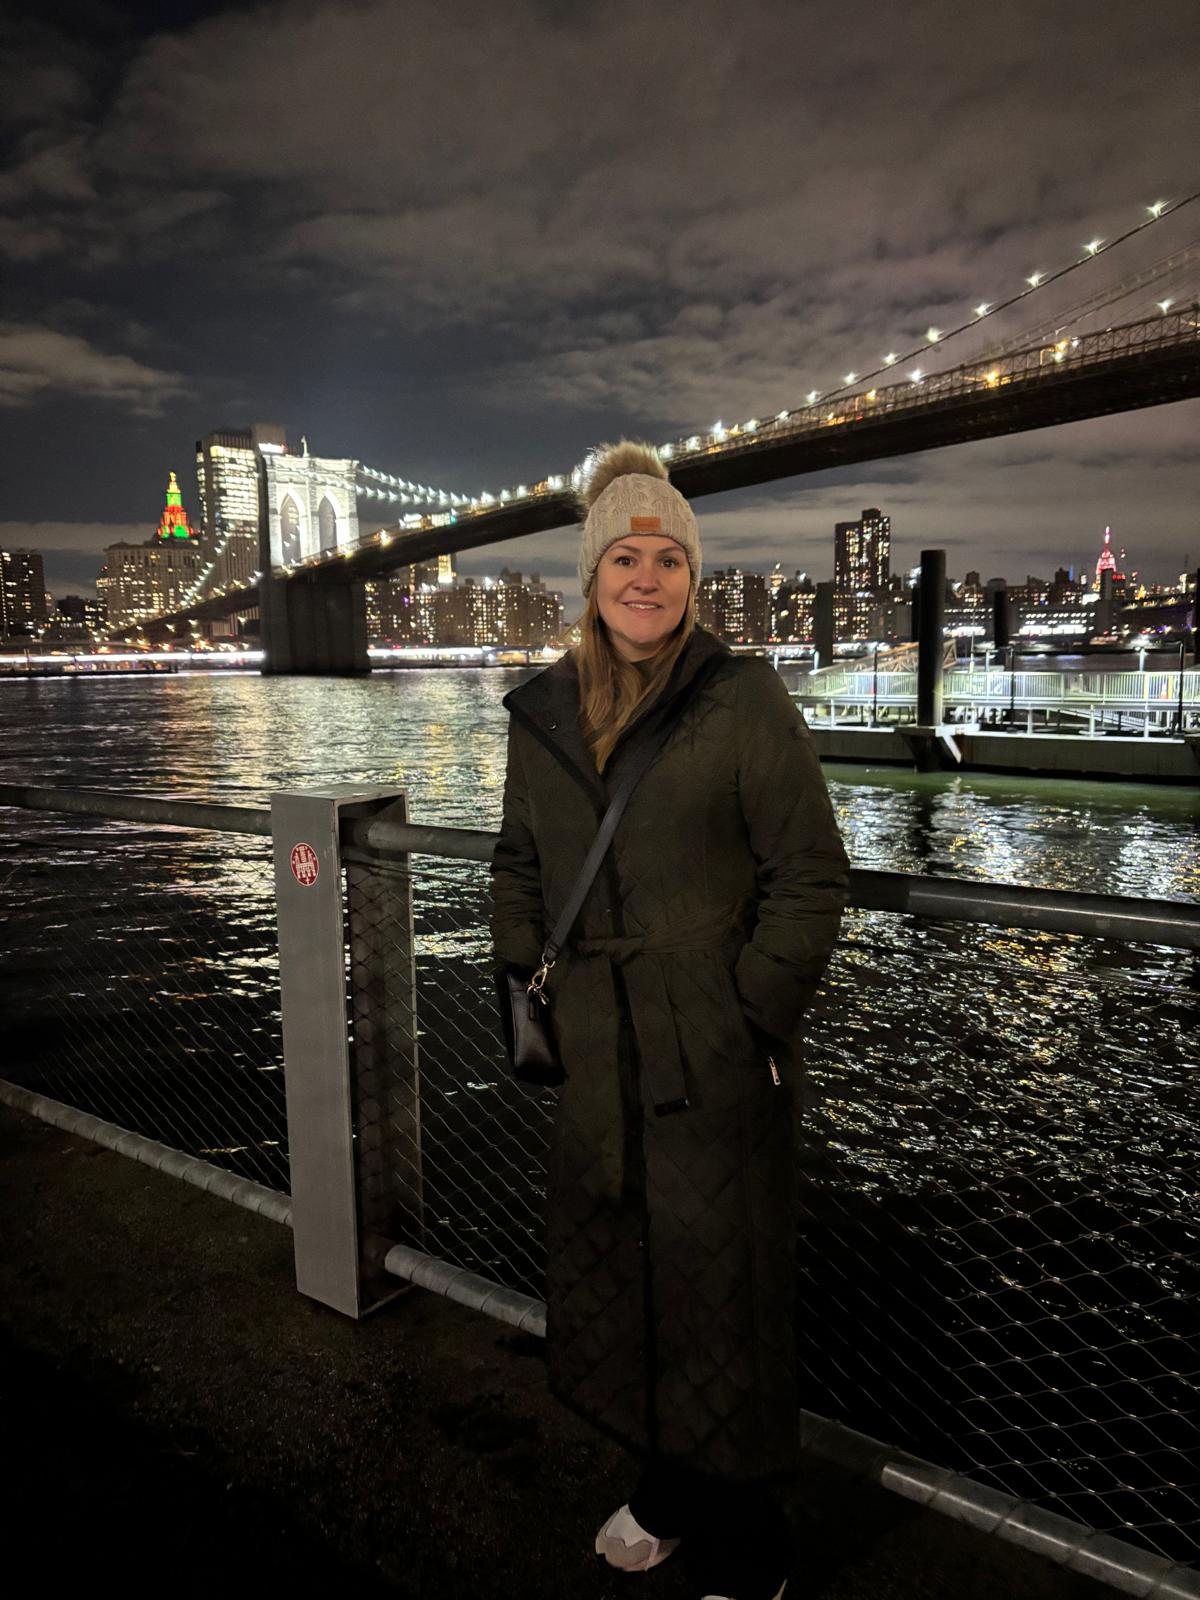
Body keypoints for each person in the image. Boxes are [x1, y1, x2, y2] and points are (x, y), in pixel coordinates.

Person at [490, 440, 849, 1600]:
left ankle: (751, 1540)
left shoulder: (741, 699)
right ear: (592, 576)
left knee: (719, 1296)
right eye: (624, 558)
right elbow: (517, 864)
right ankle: (666, 1488)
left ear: (693, 578)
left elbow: (809, 874)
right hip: (596, 1053)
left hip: (712, 1054)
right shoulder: (545, 711)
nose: (646, 578)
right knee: (623, 1276)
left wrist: (748, 1014)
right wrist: (524, 983)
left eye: (669, 560)